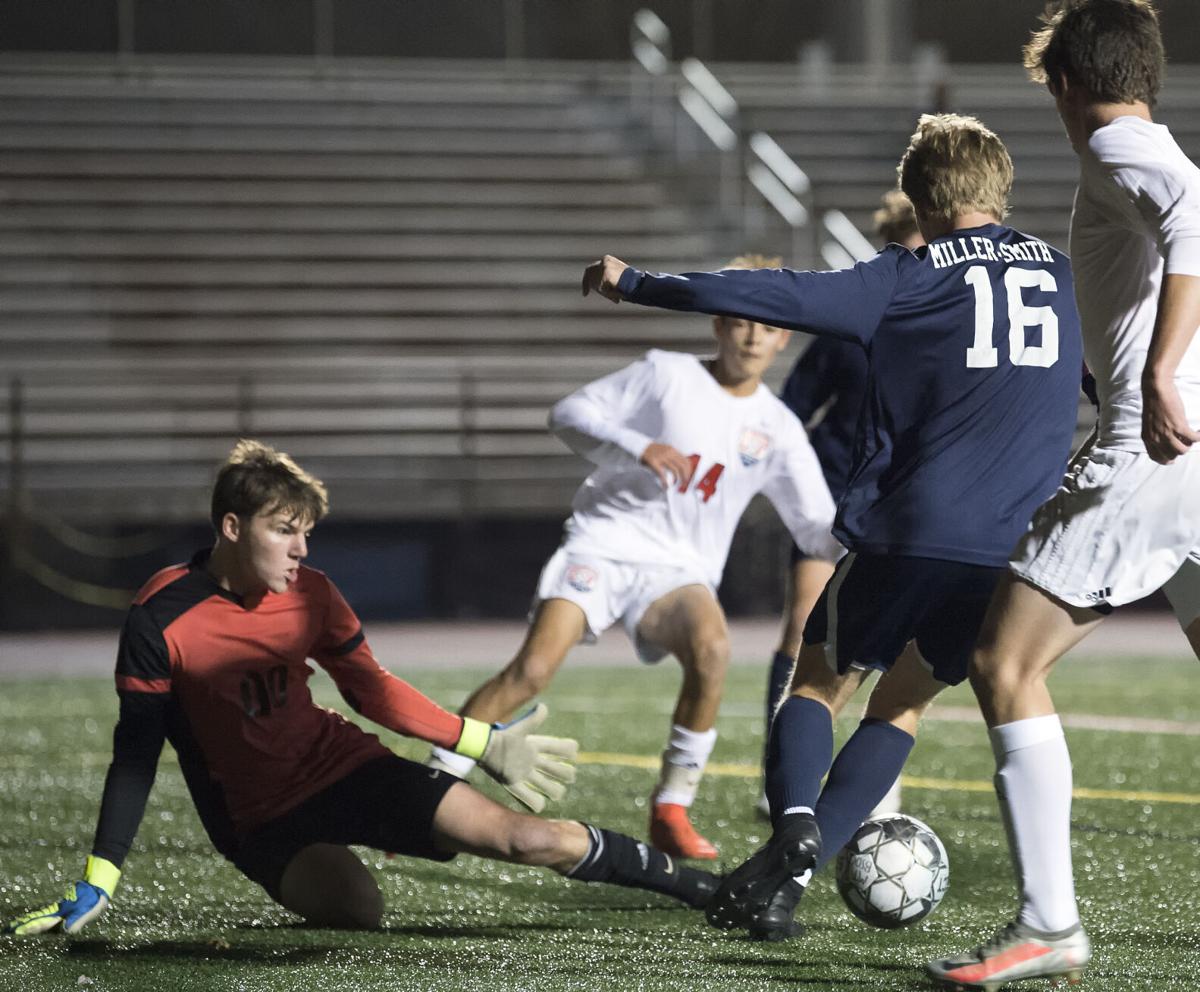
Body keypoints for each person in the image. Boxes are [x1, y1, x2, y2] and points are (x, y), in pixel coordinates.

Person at [580, 112, 1084, 943]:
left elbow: (777, 295)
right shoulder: (1066, 278)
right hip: (1009, 553)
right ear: (1002, 189)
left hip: (910, 529)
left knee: (815, 683)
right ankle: (787, 885)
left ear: (920, 199)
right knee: (903, 707)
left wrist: (638, 282)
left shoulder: (911, 273)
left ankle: (794, 832)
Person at [3, 440, 719, 937]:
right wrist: (102, 875)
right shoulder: (160, 618)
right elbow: (135, 754)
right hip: (256, 823)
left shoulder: (312, 594)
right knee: (359, 908)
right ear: (231, 525)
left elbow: (370, 691)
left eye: (306, 532)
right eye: (285, 531)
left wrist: (481, 742)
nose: (301, 550)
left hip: (344, 769)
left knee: (528, 838)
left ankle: (706, 891)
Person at [929, 3, 1200, 988]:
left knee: (1005, 662)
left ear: (1065, 85)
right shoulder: (1144, 140)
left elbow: (1195, 210)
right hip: (1192, 460)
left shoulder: (1121, 146)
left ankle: (1049, 922)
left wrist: (1161, 370)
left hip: (1147, 455)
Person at [427, 258, 843, 861]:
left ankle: (671, 807)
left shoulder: (778, 427)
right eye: (740, 319)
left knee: (713, 648)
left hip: (678, 573)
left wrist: (880, 544)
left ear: (783, 337)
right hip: (604, 545)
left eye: (768, 323)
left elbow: (815, 526)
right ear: (717, 325)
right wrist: (639, 446)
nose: (753, 334)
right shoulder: (665, 374)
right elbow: (567, 414)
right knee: (532, 673)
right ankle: (431, 787)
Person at [760, 191, 926, 821]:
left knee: (901, 644)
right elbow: (789, 412)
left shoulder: (950, 317)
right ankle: (780, 771)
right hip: (830, 498)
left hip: (902, 509)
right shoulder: (854, 322)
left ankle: (878, 788)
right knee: (806, 621)